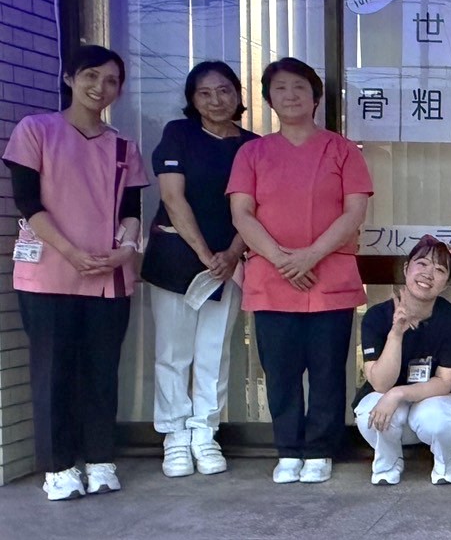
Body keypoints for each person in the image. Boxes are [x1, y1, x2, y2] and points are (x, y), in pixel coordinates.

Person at [2, 45, 150, 501]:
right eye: (90, 76)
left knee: (102, 370)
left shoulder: (123, 146)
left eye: (111, 81)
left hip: (108, 276)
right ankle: (59, 467)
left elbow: (132, 209)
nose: (100, 87)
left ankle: (101, 459)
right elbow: (28, 202)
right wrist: (70, 252)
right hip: (49, 274)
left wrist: (126, 250)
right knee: (54, 371)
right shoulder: (35, 130)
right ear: (69, 78)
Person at [227, 57, 374, 484]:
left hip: (330, 275)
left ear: (315, 97)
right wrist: (282, 259)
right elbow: (241, 213)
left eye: (299, 87)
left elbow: (354, 212)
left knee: (328, 370)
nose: (290, 95)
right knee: (280, 371)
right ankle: (288, 449)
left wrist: (309, 256)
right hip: (272, 278)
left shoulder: (343, 150)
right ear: (268, 99)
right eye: (280, 88)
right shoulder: (252, 153)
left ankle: (320, 449)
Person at [141, 61, 257, 479]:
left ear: (238, 94)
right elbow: (173, 198)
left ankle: (204, 433)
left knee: (214, 351)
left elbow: (256, 208)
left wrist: (232, 253)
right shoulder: (179, 133)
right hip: (178, 257)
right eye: (204, 93)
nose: (215, 100)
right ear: (192, 99)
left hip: (229, 264)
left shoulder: (253, 145)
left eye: (224, 90)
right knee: (173, 353)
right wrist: (206, 254)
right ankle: (174, 436)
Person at [354, 235, 451, 486]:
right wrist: (396, 333)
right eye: (422, 264)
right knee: (371, 410)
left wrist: (398, 394)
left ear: (447, 283)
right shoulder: (376, 316)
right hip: (396, 413)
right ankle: (387, 462)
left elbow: (445, 382)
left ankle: (446, 459)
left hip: (436, 405)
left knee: (435, 416)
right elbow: (380, 384)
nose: (428, 274)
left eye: (439, 270)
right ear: (407, 268)